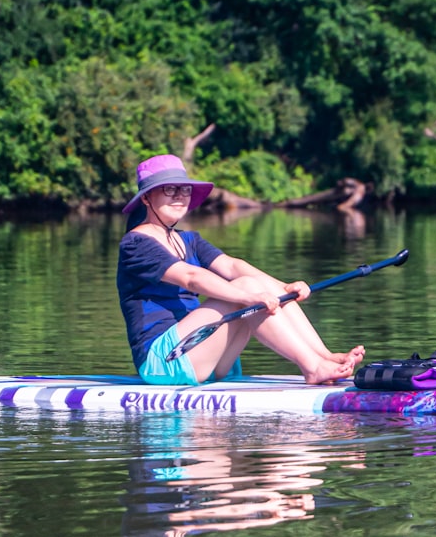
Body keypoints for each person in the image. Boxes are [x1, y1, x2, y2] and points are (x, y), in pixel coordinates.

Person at [116, 154, 365, 386]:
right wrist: (249, 297)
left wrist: (284, 287)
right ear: (146, 198)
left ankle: (324, 356)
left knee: (257, 284)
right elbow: (191, 277)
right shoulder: (136, 243)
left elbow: (232, 265)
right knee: (248, 288)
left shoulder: (189, 239)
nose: (179, 195)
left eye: (184, 189)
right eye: (169, 189)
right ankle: (312, 369)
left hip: (204, 352)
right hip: (163, 362)